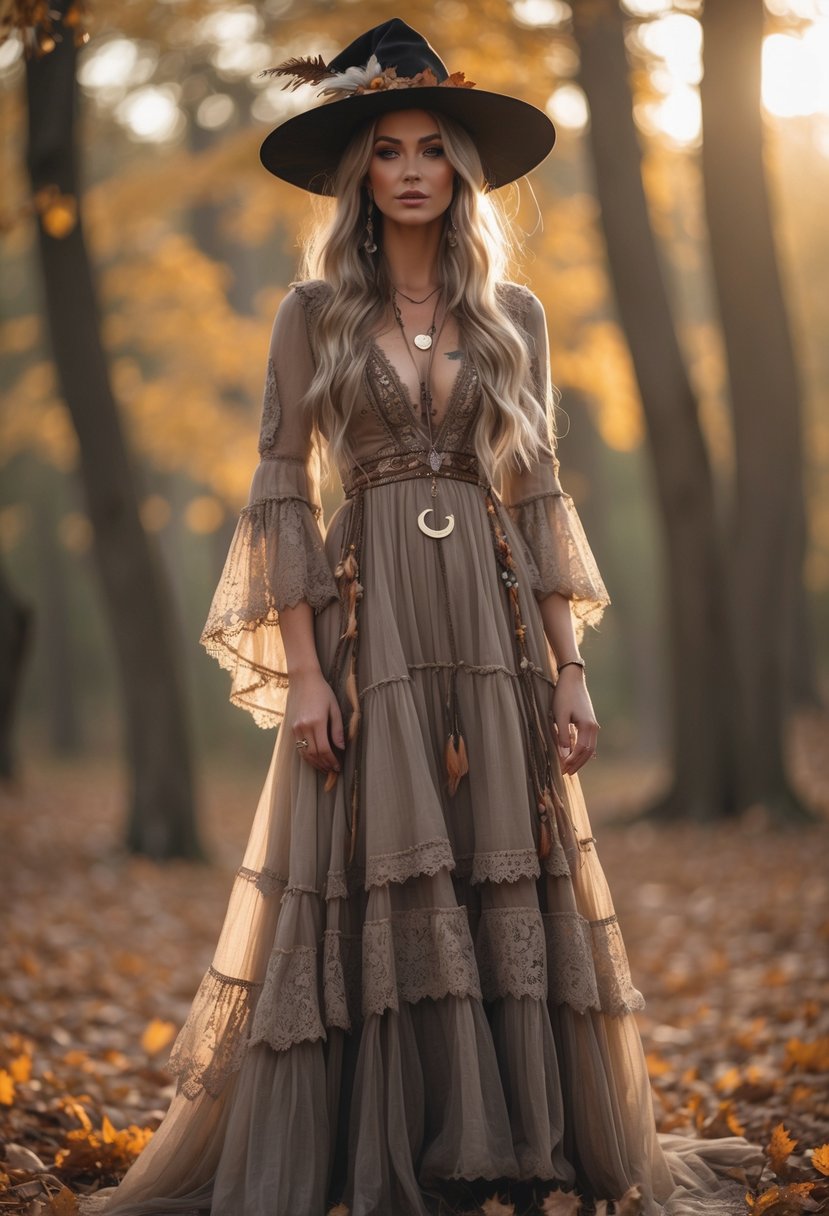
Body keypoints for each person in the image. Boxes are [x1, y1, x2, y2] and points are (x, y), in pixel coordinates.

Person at [87, 19, 763, 1216]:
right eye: (386, 149)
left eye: (430, 148)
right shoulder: (312, 312)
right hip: (370, 617)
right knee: (373, 863)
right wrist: (304, 674)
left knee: (501, 860)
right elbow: (282, 487)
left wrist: (570, 665)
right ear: (360, 174)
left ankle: (508, 1136)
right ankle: (367, 1137)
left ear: (459, 169)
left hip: (494, 624)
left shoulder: (516, 314)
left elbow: (539, 490)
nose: (409, 168)